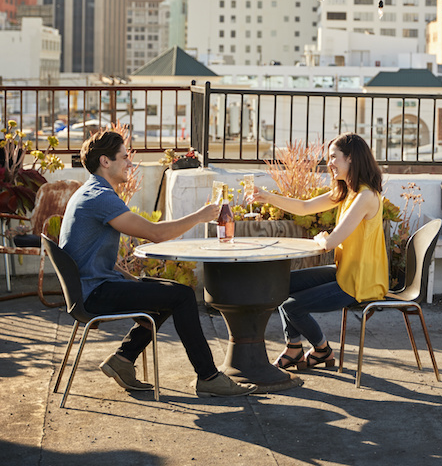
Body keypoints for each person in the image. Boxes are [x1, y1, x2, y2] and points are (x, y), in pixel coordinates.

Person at [59, 130, 255, 397]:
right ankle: (208, 377)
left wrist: (130, 278)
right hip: (93, 294)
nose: (130, 163)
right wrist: (199, 215)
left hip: (90, 287)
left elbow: (87, 253)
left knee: (163, 292)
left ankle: (123, 359)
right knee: (183, 296)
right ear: (105, 161)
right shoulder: (100, 197)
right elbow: (156, 234)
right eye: (124, 157)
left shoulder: (91, 191)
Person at [244, 133, 387, 371]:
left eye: (333, 157)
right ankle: (294, 348)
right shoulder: (348, 192)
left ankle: (322, 349)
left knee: (292, 306)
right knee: (282, 285)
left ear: (350, 158)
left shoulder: (365, 196)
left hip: (361, 281)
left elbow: (331, 242)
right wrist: (266, 196)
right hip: (346, 272)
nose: (328, 163)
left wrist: (323, 237)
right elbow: (304, 208)